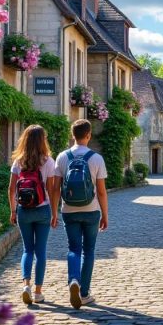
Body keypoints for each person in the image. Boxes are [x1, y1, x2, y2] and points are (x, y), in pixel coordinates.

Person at [52, 119, 109, 309]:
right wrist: (105, 215)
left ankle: (73, 280)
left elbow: (55, 189)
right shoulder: (96, 158)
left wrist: (54, 211)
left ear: (72, 135)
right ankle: (84, 293)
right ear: (89, 135)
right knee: (89, 250)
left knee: (73, 248)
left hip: (69, 210)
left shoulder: (62, 157)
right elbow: (101, 191)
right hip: (91, 211)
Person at [7, 125, 56, 305]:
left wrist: (13, 210)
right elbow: (51, 190)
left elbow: (12, 189)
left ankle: (26, 285)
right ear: (42, 140)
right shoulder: (48, 161)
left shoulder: (18, 161)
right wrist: (54, 213)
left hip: (24, 211)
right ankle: (38, 292)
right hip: (43, 210)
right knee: (40, 251)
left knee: (27, 249)